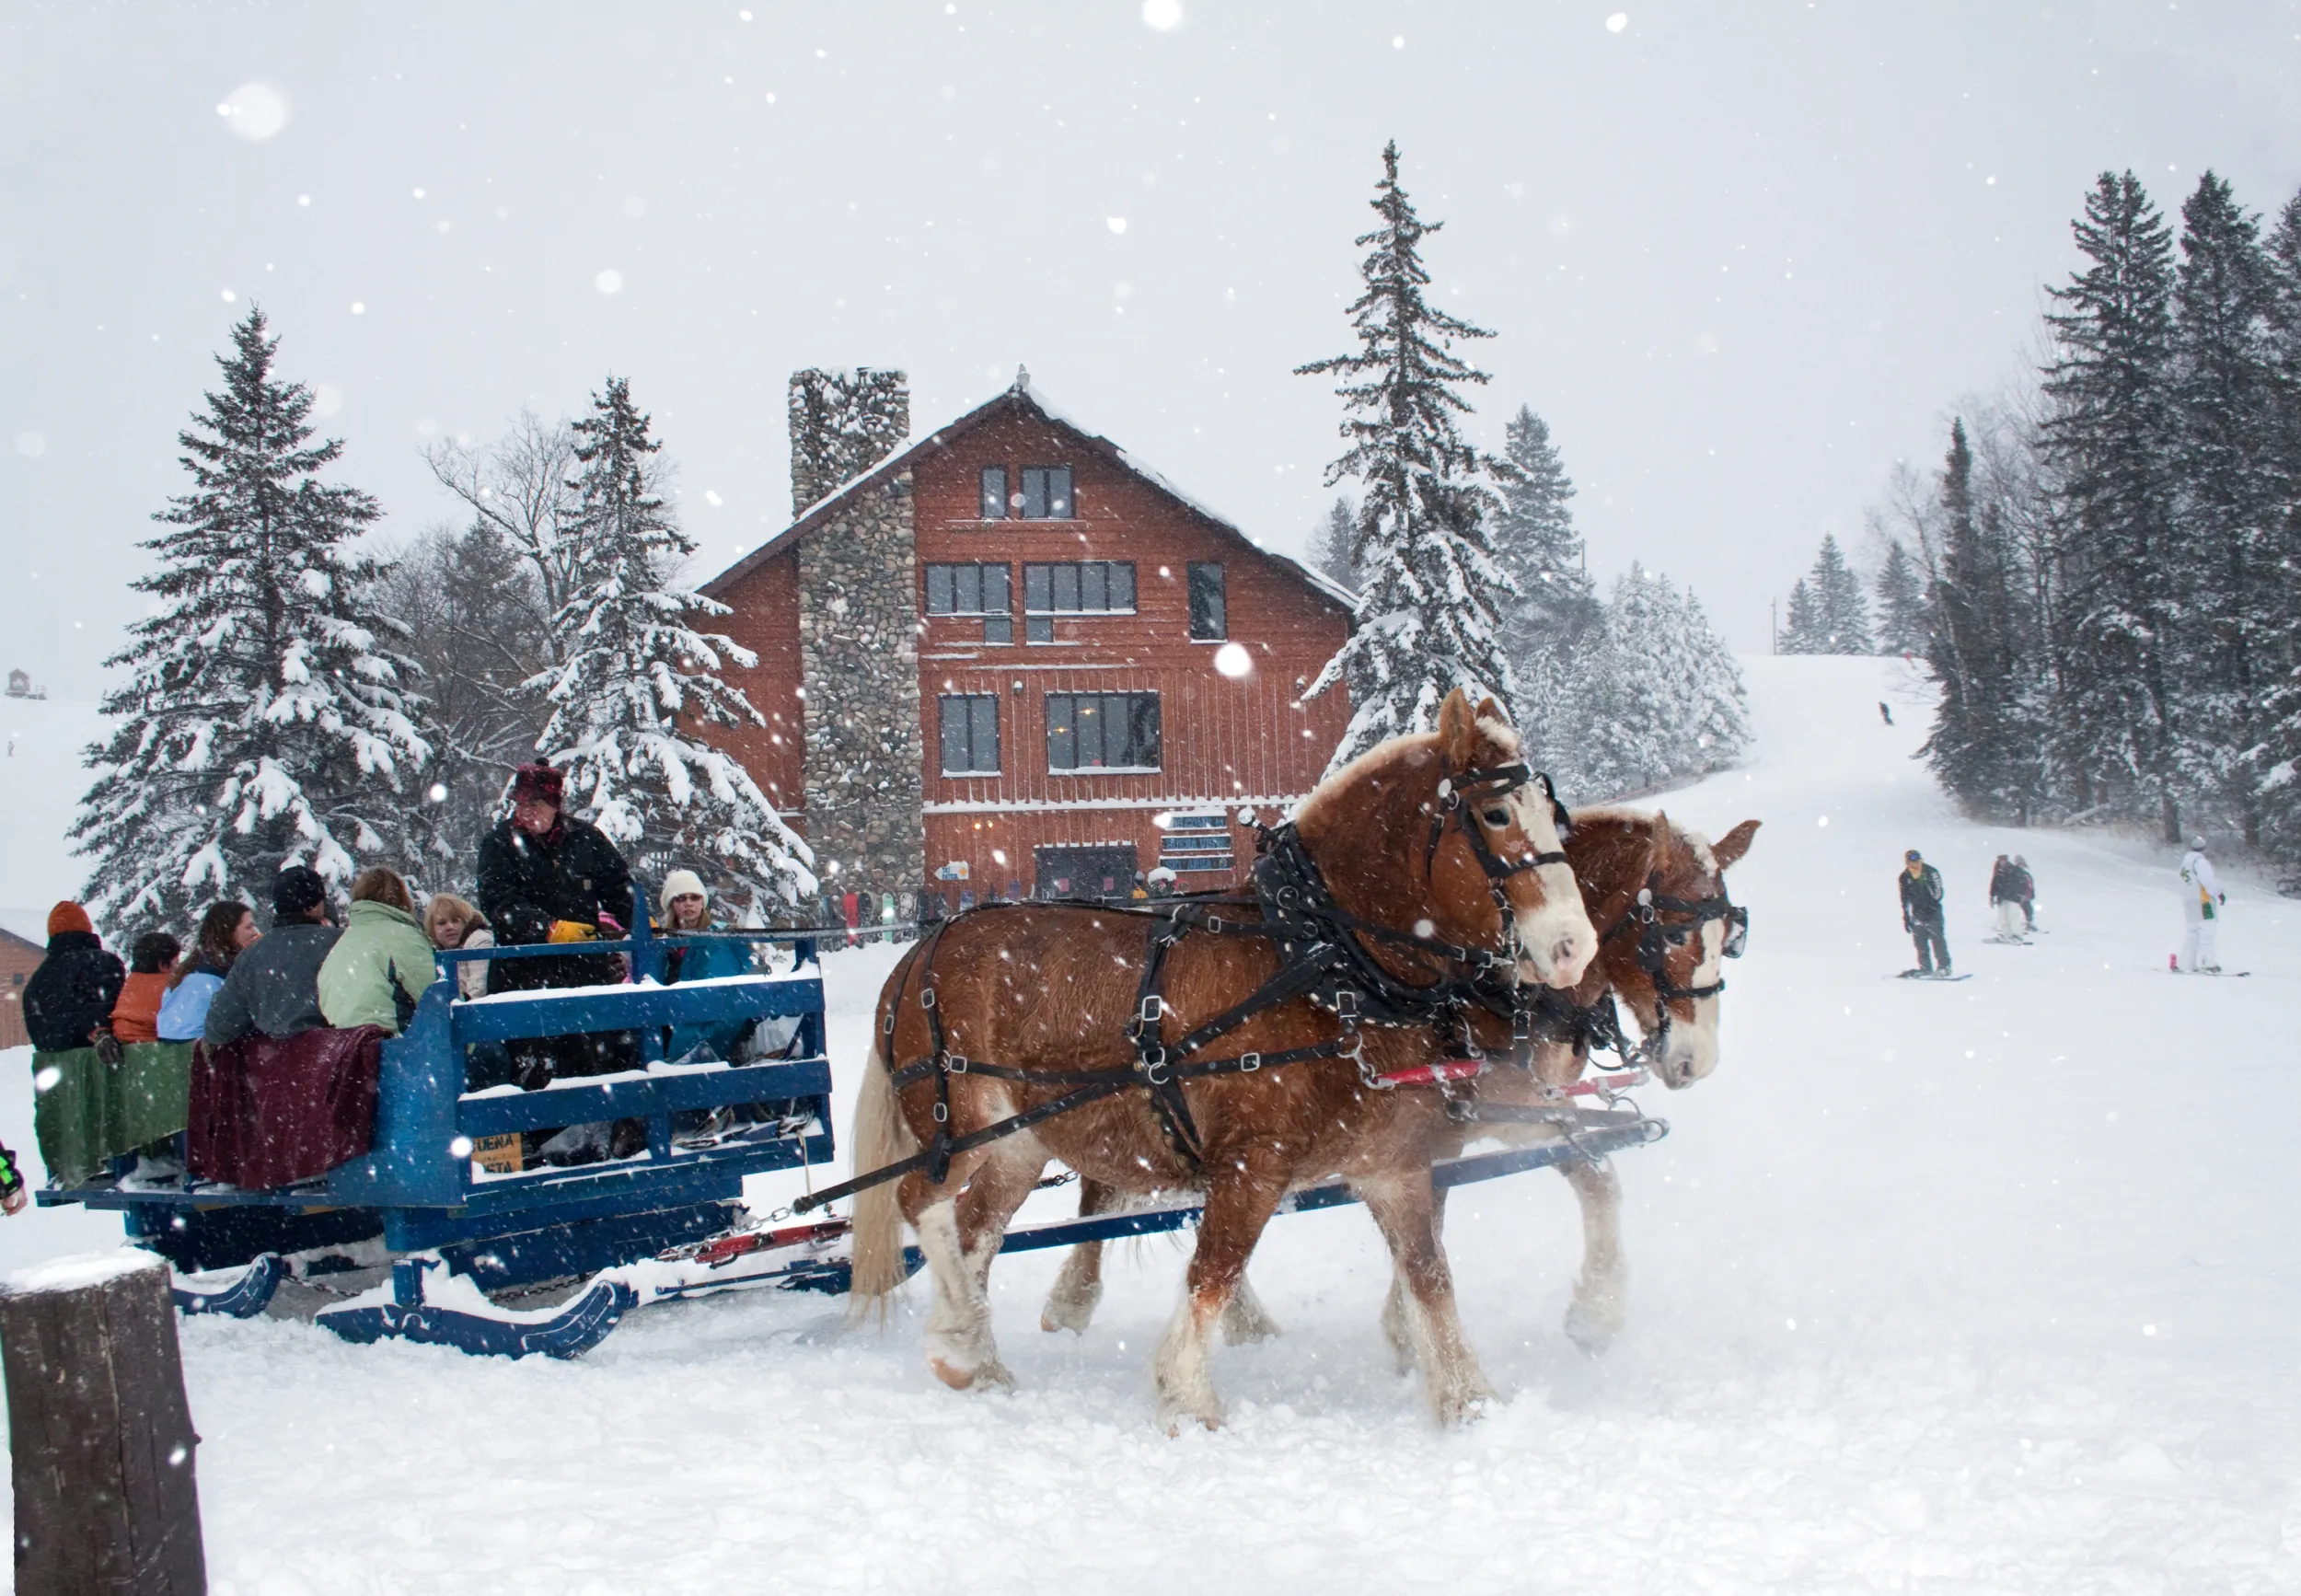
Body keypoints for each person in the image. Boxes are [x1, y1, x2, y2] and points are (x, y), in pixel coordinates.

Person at [474, 762, 637, 1088]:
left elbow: (618, 887)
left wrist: (642, 921)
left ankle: (592, 1128)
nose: (527, 811)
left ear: (555, 805)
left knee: (592, 1060)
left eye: (536, 803)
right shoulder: (499, 845)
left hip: (584, 971)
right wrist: (549, 929)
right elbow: (500, 904)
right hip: (523, 976)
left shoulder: (586, 838)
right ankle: (539, 1135)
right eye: (521, 803)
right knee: (533, 1068)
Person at [203, 866, 340, 1048]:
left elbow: (219, 1027)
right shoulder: (341, 944)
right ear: (314, 906)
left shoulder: (251, 956)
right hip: (336, 1061)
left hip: (274, 1067)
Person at [318, 867, 439, 1035]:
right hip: (395, 1048)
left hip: (347, 1051)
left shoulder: (341, 944)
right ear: (401, 897)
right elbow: (436, 996)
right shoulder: (401, 937)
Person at [23, 902, 125, 1054]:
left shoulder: (37, 980)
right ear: (87, 928)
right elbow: (116, 1009)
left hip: (54, 1072)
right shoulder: (102, 962)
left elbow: (40, 1032)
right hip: (101, 1064)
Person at [158, 901, 258, 1043]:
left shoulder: (187, 969)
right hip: (209, 1047)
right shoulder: (229, 971)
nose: (255, 932)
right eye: (249, 927)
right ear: (229, 932)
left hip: (171, 1049)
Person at [105, 931, 182, 1050]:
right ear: (163, 965)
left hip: (124, 1050)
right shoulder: (170, 987)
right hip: (154, 1051)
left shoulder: (129, 984)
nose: (178, 967)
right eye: (177, 962)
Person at [423, 893, 495, 1001]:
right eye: (442, 923)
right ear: (432, 929)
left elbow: (477, 991)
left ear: (465, 921)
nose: (450, 927)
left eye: (455, 920)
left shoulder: (478, 941)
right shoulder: (432, 951)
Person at [1899, 850, 1950, 976]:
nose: (1915, 864)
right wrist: (1906, 917)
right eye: (1911, 861)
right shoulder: (1904, 877)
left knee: (1937, 939)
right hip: (1917, 913)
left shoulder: (1930, 872)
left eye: (1917, 861)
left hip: (1933, 911)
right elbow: (1904, 898)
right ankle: (1925, 967)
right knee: (1920, 941)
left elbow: (1939, 891)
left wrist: (1931, 904)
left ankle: (1944, 966)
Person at [2178, 835, 2225, 974]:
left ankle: (2186, 964)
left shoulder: (2185, 863)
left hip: (2189, 901)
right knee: (2207, 932)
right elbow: (2207, 881)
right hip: (2204, 902)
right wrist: (2218, 893)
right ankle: (2207, 963)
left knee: (2192, 933)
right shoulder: (2200, 862)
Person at [1987, 855, 2026, 942]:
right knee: (2003, 917)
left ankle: (2017, 934)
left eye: (2004, 860)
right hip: (2002, 897)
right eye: (2000, 860)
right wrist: (1992, 896)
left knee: (2013, 916)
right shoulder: (1998, 871)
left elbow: (2022, 883)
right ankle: (2006, 934)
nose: (2002, 862)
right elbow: (1994, 885)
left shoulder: (2014, 870)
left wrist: (2020, 893)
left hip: (2013, 897)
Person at [2008, 855, 2037, 931]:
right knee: (2016, 911)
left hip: (2026, 896)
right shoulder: (2015, 873)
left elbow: (2030, 884)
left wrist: (2032, 893)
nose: (2021, 865)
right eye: (2019, 864)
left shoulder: (2026, 874)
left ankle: (2029, 923)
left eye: (2022, 864)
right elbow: (2014, 884)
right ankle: (2015, 926)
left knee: (2028, 910)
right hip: (2019, 895)